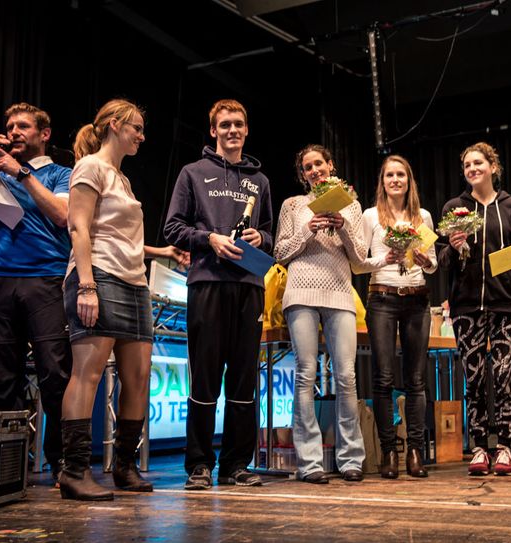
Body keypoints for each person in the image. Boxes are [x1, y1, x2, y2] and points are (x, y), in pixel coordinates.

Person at [0, 103, 72, 483]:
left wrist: (20, 173)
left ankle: (60, 463)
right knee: (2, 380)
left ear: (44, 134)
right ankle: (9, 467)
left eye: (23, 125)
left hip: (46, 280)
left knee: (54, 375)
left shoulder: (60, 173)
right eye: (10, 126)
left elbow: (62, 215)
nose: (15, 131)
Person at [164, 99, 272, 490]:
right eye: (225, 124)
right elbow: (172, 228)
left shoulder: (260, 181)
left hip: (249, 286)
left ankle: (235, 466)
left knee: (244, 380)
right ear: (213, 130)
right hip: (206, 283)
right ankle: (198, 466)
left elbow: (270, 235)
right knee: (205, 378)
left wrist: (262, 237)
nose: (232, 130)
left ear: (246, 130)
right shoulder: (192, 173)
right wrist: (208, 239)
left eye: (238, 124)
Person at [59, 99, 157, 501]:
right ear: (115, 125)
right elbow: (78, 226)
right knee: (89, 374)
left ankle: (124, 467)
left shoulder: (122, 178)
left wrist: (161, 253)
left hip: (134, 283)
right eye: (136, 127)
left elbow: (121, 234)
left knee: (137, 377)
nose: (141, 136)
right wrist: (86, 286)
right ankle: (75, 470)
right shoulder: (91, 167)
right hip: (97, 275)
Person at [438, 142, 511, 477]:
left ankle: (504, 446)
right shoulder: (454, 208)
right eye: (467, 165)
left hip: (507, 304)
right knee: (475, 379)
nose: (472, 169)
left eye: (478, 163)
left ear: (493, 167)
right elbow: (442, 260)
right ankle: (479, 447)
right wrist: (452, 246)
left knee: (505, 377)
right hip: (466, 306)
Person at [274, 144, 367, 484]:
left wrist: (342, 225)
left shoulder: (352, 204)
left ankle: (351, 458)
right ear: (303, 175)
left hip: (341, 292)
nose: (315, 170)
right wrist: (307, 229)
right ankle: (309, 462)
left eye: (319, 164)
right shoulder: (293, 205)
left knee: (346, 376)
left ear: (331, 165)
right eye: (308, 167)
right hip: (300, 292)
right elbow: (281, 252)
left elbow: (359, 259)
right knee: (305, 374)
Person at [352, 155, 436, 479]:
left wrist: (422, 258)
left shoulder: (423, 216)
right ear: (383, 180)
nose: (396, 179)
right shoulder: (370, 216)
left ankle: (415, 451)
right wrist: (384, 258)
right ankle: (388, 452)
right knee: (383, 378)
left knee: (416, 381)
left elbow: (433, 266)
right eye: (390, 174)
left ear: (409, 180)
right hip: (382, 298)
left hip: (417, 300)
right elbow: (359, 263)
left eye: (401, 174)